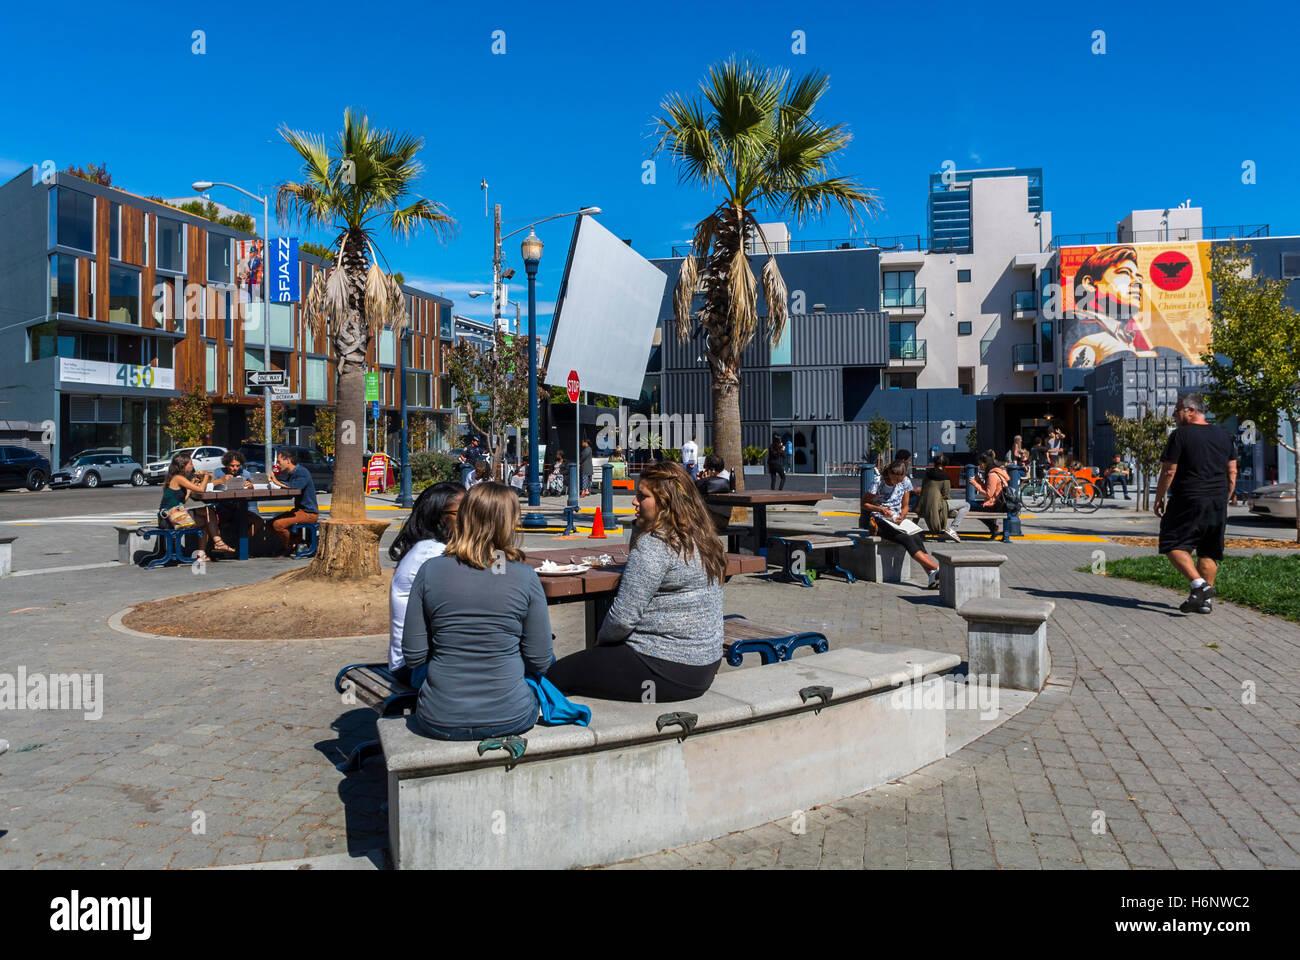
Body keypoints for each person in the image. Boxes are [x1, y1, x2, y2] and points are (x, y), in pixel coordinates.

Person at [548, 462, 726, 702]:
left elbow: (622, 619)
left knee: (556, 676)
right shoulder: (702, 538)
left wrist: (599, 645)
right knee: (589, 668)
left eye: (642, 496)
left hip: (661, 667)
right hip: (703, 667)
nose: (634, 502)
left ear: (665, 502)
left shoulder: (655, 544)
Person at [402, 482, 552, 740]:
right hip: (511, 716)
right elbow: (540, 660)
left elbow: (414, 657)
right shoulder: (525, 576)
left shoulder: (430, 570)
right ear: (509, 523)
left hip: (438, 716)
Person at [1154, 393, 1237, 615]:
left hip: (1188, 499)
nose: (1174, 415)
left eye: (1176, 411)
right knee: (1208, 551)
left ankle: (1199, 586)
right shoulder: (1224, 436)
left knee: (1171, 543)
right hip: (1217, 502)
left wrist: (1159, 497)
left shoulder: (1180, 436)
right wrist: (1225, 497)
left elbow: (1169, 470)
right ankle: (1204, 602)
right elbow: (1232, 471)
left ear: (1190, 410)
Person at [388, 482, 464, 684]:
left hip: (416, 658)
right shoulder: (434, 556)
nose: (472, 518)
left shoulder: (428, 548)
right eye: (463, 512)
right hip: (415, 665)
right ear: (439, 516)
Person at [1065, 244, 1158, 368]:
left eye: (1139, 277)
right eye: (1125, 273)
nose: (1137, 282)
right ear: (1090, 284)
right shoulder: (1077, 329)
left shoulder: (1124, 339)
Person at [860, 459, 941, 588]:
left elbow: (905, 506)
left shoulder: (906, 482)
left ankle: (931, 574)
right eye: (895, 480)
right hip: (880, 519)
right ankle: (938, 569)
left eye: (900, 480)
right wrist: (880, 509)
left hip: (896, 519)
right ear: (889, 474)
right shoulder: (878, 481)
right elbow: (864, 503)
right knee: (906, 539)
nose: (898, 482)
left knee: (917, 537)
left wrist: (902, 516)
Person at [157, 453, 235, 561]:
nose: (192, 466)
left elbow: (183, 500)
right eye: (190, 463)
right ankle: (218, 542)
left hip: (172, 515)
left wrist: (191, 485)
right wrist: (206, 477)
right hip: (169, 519)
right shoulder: (178, 478)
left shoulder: (178, 478)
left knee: (207, 518)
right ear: (182, 465)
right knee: (208, 511)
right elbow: (201, 490)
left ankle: (203, 554)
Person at [267, 448, 319, 557]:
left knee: (278, 524)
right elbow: (288, 487)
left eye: (279, 461)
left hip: (309, 513)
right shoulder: (293, 473)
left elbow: (295, 487)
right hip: (298, 511)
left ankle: (290, 546)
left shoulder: (302, 472)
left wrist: (276, 481)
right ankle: (296, 541)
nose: (277, 464)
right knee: (270, 524)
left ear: (288, 460)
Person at [212, 450, 265, 541]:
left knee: (259, 521)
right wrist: (222, 480)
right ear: (226, 464)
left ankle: (242, 544)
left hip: (241, 508)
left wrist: (252, 485)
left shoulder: (244, 473)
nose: (235, 468)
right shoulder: (218, 472)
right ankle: (221, 544)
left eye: (237, 465)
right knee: (213, 521)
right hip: (222, 508)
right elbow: (209, 485)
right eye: (232, 466)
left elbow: (257, 484)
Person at [918, 454, 968, 542]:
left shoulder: (927, 475)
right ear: (945, 465)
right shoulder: (945, 477)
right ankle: (952, 528)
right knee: (966, 505)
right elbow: (946, 496)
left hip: (924, 505)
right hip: (939, 505)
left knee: (954, 511)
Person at [967, 453, 1011, 538]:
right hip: (998, 503)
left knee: (968, 504)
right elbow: (989, 490)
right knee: (972, 505)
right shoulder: (996, 472)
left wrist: (975, 484)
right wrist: (979, 481)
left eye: (980, 464)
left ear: (984, 463)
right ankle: (993, 527)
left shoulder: (992, 475)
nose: (980, 466)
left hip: (995, 505)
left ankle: (993, 527)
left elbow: (988, 494)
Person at [695, 453, 733, 533]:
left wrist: (701, 481)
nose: (704, 470)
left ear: (712, 469)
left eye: (705, 468)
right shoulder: (727, 476)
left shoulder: (719, 481)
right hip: (719, 517)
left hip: (717, 519)